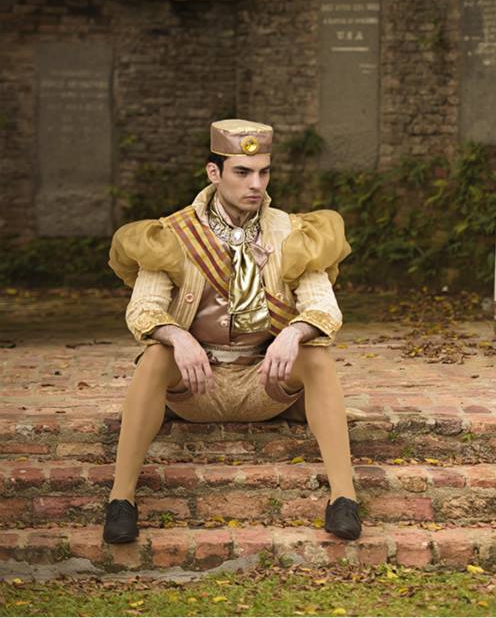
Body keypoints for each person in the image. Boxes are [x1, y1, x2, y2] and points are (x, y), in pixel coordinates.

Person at [102, 119, 361, 544]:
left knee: (316, 355)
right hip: (195, 385)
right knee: (156, 354)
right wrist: (178, 336)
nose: (255, 184)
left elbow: (324, 308)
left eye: (263, 172)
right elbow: (143, 310)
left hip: (266, 382)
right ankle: (121, 500)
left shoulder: (293, 232)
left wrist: (294, 332)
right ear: (214, 173)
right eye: (242, 172)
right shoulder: (172, 235)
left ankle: (344, 499)